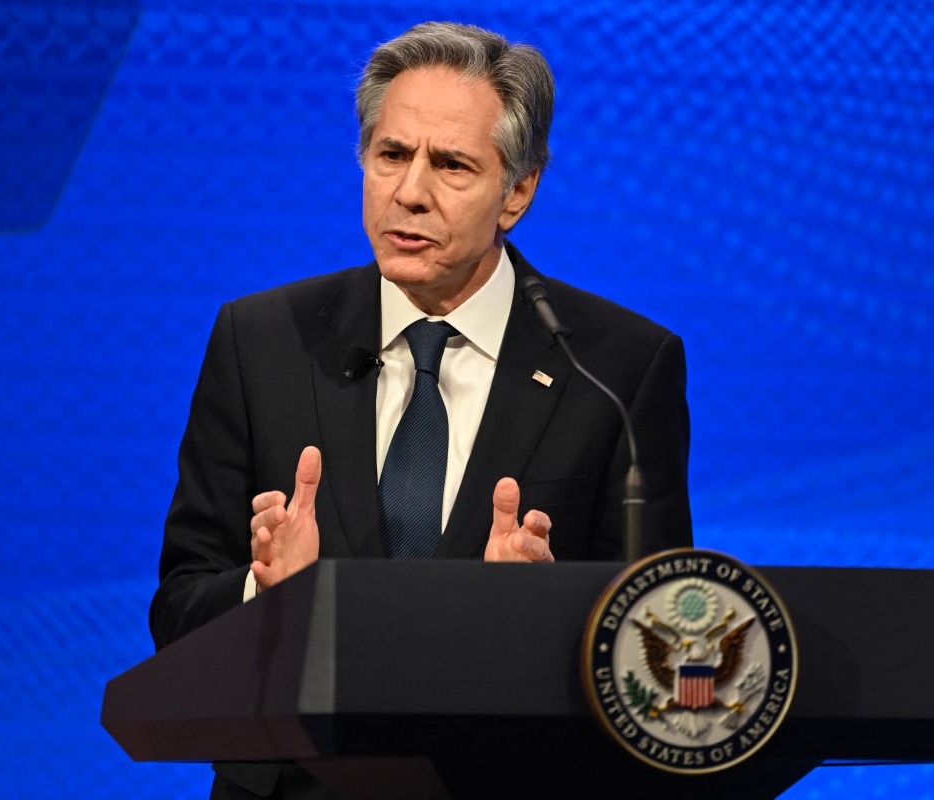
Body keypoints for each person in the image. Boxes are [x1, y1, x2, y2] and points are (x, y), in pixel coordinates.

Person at [149, 21, 692, 799]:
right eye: (391, 155)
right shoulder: (261, 340)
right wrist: (263, 594)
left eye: (452, 165)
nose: (410, 191)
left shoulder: (616, 368)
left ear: (519, 190)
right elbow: (176, 611)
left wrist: (550, 613)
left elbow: (657, 652)